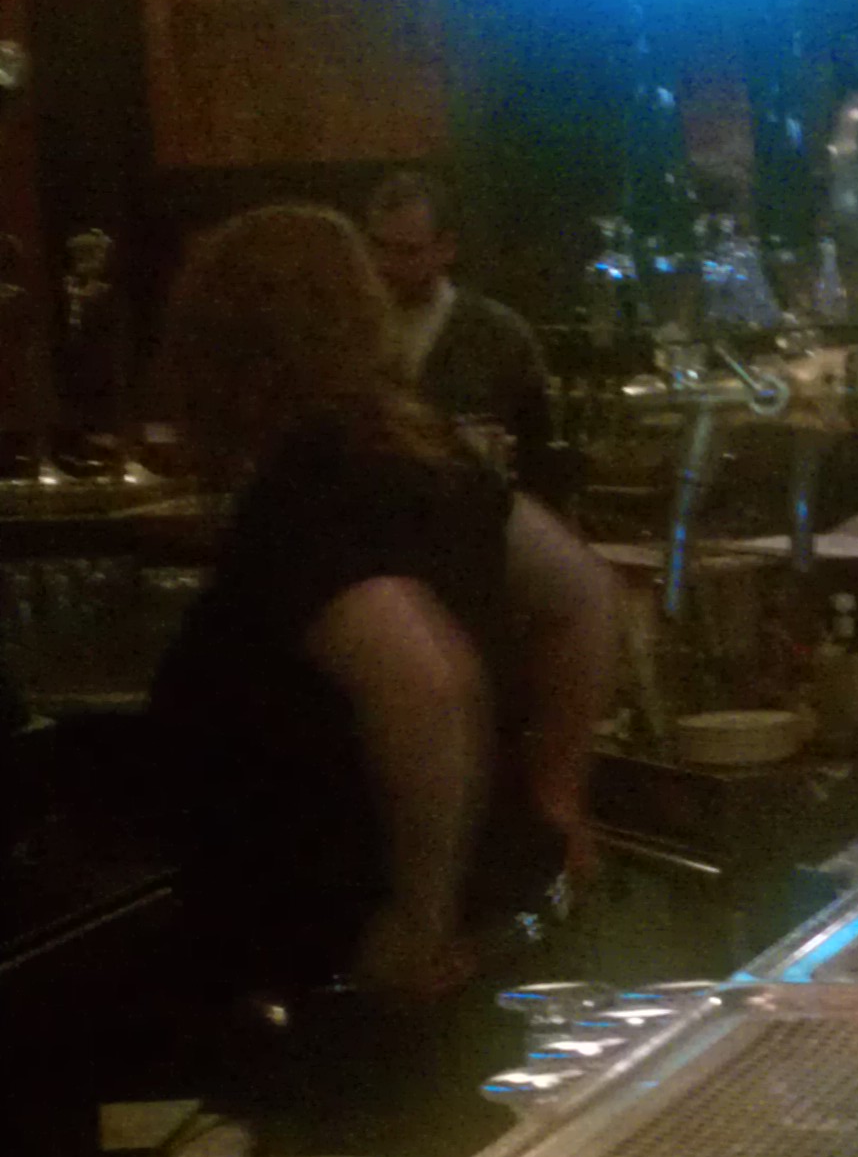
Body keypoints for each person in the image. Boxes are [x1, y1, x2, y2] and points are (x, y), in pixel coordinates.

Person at [150, 203, 618, 1017]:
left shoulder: (305, 489)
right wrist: (556, 795)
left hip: (355, 957)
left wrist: (416, 918)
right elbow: (583, 596)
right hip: (502, 920)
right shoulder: (427, 455)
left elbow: (425, 685)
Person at [363, 167, 554, 492]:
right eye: (379, 247)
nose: (386, 265)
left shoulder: (498, 336)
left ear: (447, 248)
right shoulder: (349, 329)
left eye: (408, 251)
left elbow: (536, 457)